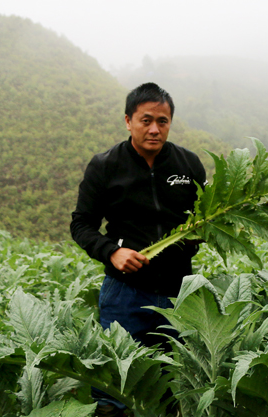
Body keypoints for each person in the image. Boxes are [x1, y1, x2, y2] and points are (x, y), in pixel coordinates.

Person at [70, 82, 206, 416]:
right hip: (125, 294)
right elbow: (81, 224)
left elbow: (205, 220)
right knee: (116, 392)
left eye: (163, 121)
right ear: (128, 121)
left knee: (176, 390)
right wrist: (111, 252)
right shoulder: (105, 166)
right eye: (146, 120)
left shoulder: (189, 165)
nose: (155, 129)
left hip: (179, 295)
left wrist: (199, 236)